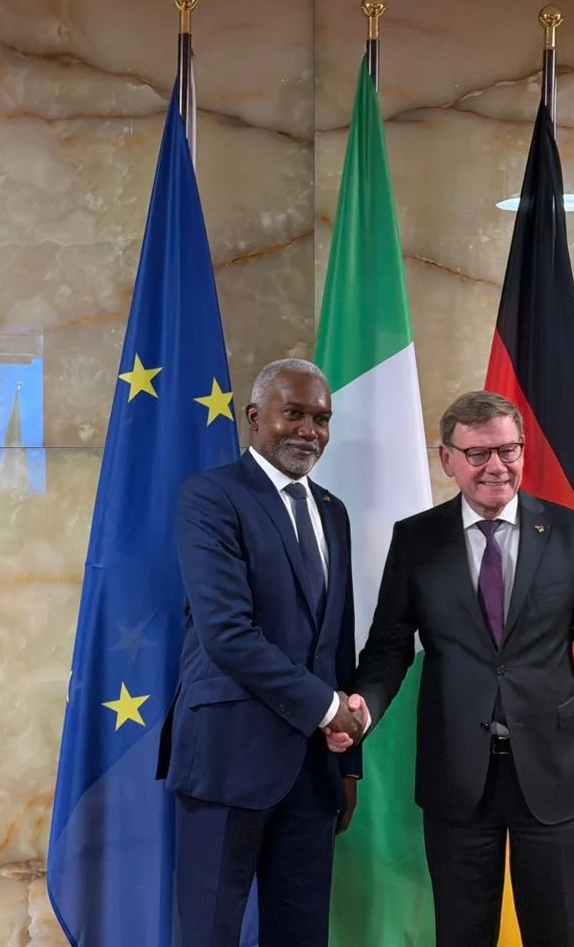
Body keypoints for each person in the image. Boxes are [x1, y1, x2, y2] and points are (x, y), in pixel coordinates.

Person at [334, 389, 574, 947]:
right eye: (478, 454)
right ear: (447, 459)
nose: (496, 466)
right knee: (462, 935)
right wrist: (364, 706)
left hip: (553, 774)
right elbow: (388, 648)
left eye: (508, 450)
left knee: (557, 934)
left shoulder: (572, 533)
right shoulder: (417, 540)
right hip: (457, 775)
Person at [157, 358, 366, 947]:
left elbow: (337, 639)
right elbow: (227, 633)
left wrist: (347, 761)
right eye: (293, 414)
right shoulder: (211, 497)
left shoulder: (333, 510)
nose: (309, 431)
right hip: (226, 759)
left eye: (321, 419)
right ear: (254, 418)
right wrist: (329, 709)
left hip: (314, 770)